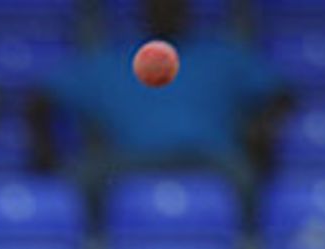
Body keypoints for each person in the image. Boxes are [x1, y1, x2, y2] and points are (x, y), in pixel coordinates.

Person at [28, 0, 293, 206]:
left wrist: (262, 129)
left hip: (212, 161)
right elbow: (41, 100)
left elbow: (281, 94)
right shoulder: (109, 60)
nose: (166, 8)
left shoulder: (223, 55)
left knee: (248, 179)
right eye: (157, 1)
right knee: (80, 183)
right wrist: (45, 148)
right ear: (143, 7)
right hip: (123, 163)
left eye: (174, 1)